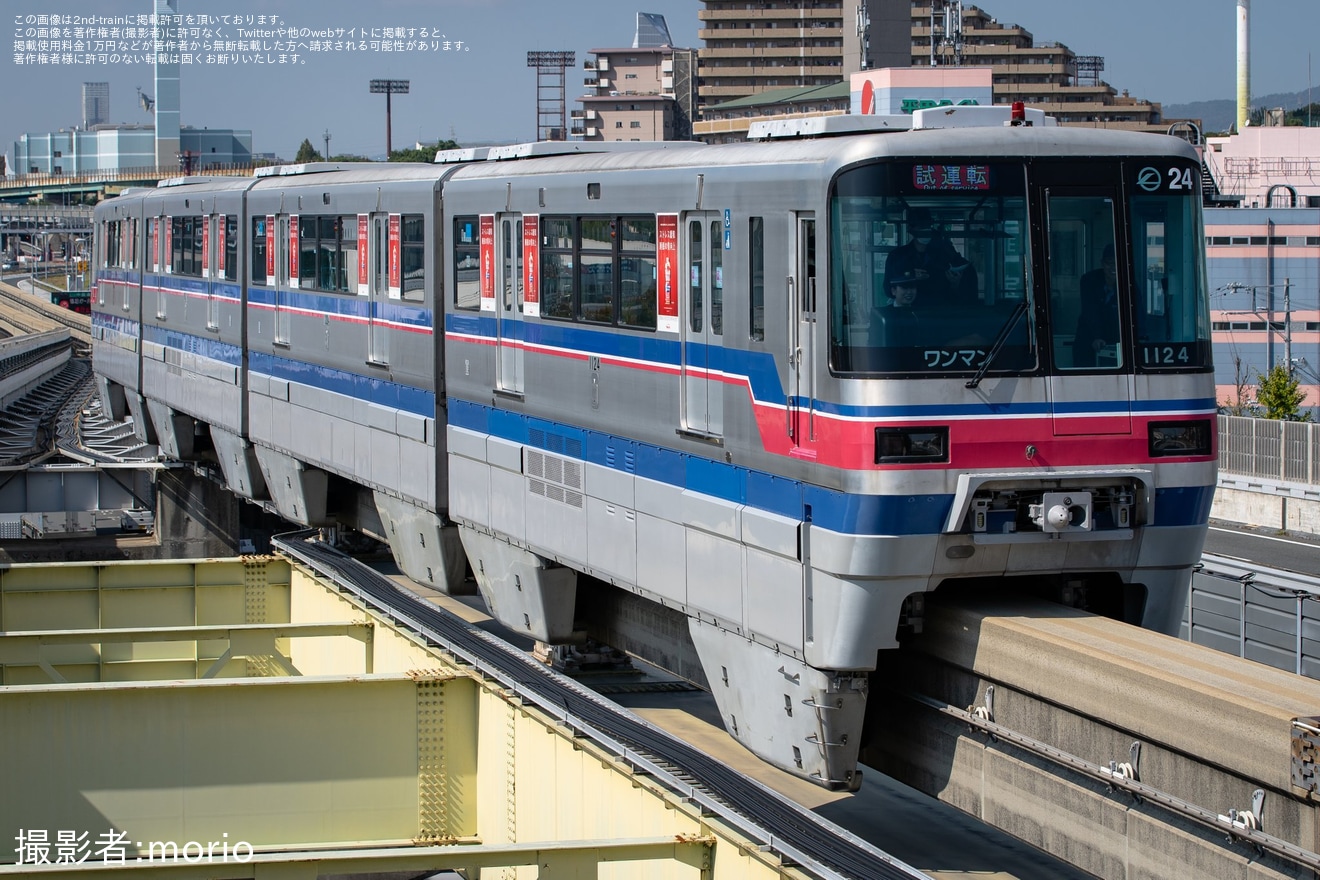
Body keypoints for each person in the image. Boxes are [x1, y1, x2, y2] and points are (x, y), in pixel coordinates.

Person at [883, 207, 977, 308]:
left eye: (928, 226)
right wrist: (910, 276)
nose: (925, 230)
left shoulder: (944, 253)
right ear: (911, 229)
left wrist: (955, 284)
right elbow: (888, 289)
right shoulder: (897, 256)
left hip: (938, 314)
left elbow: (965, 275)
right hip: (910, 313)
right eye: (920, 227)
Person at [1073, 243, 1121, 367]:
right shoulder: (1089, 280)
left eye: (1116, 263)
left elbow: (1137, 312)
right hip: (1088, 337)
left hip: (1117, 340)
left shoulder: (1130, 284)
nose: (1113, 267)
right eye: (1109, 263)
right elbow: (1090, 310)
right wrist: (1096, 336)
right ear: (1102, 263)